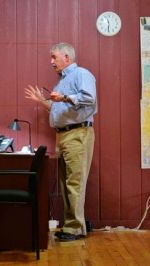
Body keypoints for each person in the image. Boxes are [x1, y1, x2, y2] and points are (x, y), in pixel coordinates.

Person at [25, 42, 97, 241]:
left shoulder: (81, 74)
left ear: (67, 57)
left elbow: (90, 99)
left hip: (77, 134)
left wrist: (64, 97)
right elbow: (60, 108)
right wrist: (43, 101)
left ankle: (74, 228)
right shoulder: (62, 82)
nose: (51, 62)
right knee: (67, 184)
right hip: (64, 135)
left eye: (54, 57)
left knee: (74, 182)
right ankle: (71, 225)